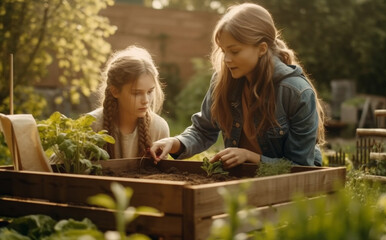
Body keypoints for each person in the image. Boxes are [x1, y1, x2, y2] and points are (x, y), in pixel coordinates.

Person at [150, 3, 325, 167]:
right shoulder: (223, 81)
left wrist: (251, 157)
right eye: (224, 51)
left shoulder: (296, 92)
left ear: (262, 49)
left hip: (292, 186)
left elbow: (300, 166)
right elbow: (203, 130)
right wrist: (174, 143)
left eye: (234, 51)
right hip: (242, 180)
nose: (226, 59)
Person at [88, 45, 170, 159]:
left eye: (150, 91)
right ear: (115, 91)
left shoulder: (159, 128)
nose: (146, 101)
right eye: (136, 93)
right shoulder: (91, 125)